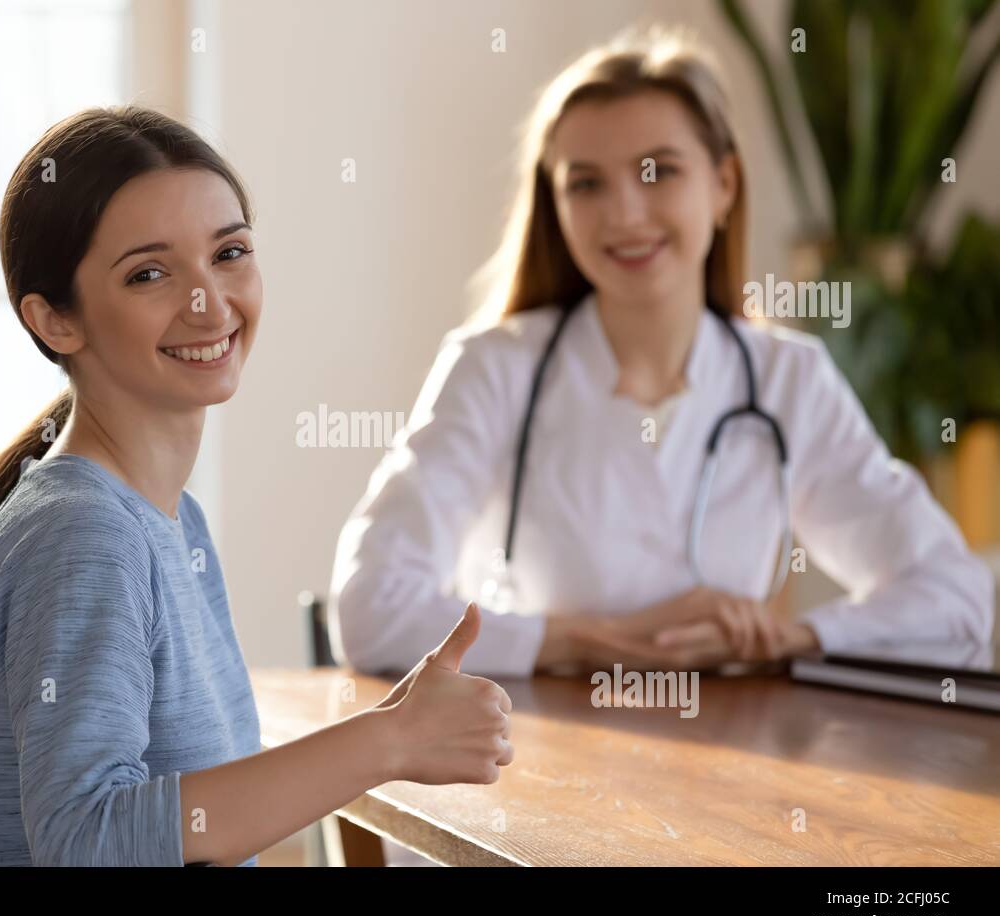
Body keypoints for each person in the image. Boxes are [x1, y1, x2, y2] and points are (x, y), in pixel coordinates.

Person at [0, 106, 513, 866]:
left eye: (229, 253)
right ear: (55, 320)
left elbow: (195, 806)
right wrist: (383, 742)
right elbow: (87, 840)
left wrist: (392, 726)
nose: (208, 302)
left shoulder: (170, 521)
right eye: (150, 273)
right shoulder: (80, 535)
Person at [329, 26, 994, 680]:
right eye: (585, 184)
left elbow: (958, 601)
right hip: (521, 761)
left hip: (731, 764)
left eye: (659, 172)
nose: (623, 214)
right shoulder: (492, 368)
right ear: (554, 204)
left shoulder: (786, 378)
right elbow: (367, 610)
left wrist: (788, 640)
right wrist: (596, 642)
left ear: (724, 185)